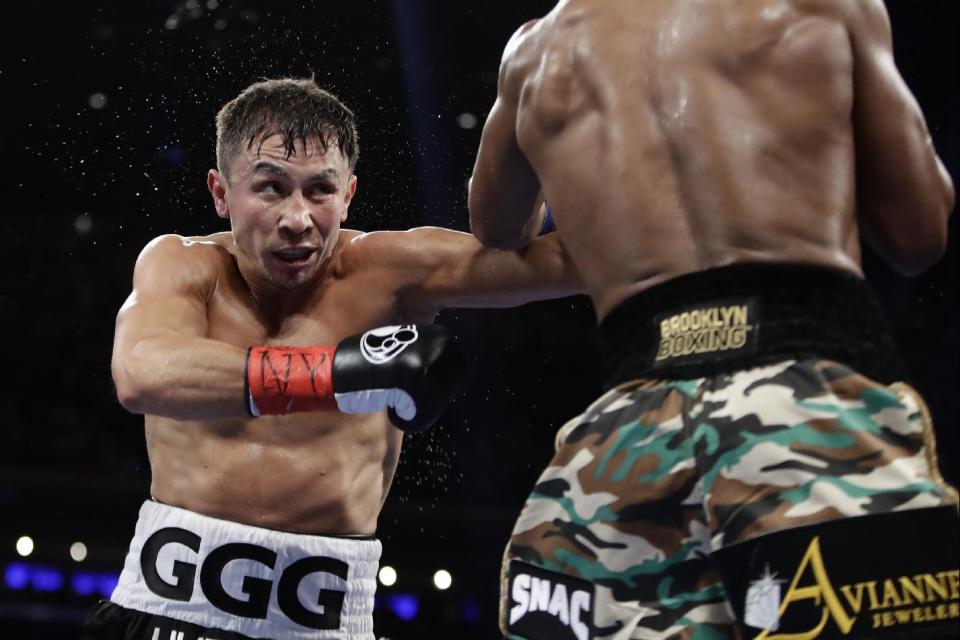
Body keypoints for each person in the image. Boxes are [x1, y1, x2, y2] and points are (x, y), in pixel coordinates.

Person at [468, 1, 958, 639]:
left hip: (623, 449)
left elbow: (499, 226)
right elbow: (918, 234)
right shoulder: (823, 5)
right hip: (804, 410)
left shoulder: (534, 52)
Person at [81, 77, 581, 640]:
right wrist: (346, 372)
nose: (297, 218)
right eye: (270, 188)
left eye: (320, 190)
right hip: (162, 614)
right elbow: (142, 372)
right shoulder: (182, 265)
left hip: (326, 624)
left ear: (348, 194)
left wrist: (523, 137)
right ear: (221, 193)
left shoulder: (393, 277)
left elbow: (577, 259)